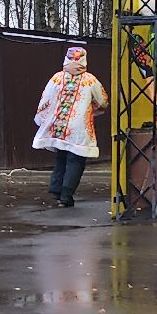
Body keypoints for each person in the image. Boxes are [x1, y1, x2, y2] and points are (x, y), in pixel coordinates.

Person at [31, 45, 108, 207]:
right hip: (79, 127)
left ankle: (55, 188)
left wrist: (42, 119)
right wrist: (92, 110)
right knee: (76, 160)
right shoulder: (90, 80)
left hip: (58, 124)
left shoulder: (57, 78)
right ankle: (66, 195)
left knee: (61, 156)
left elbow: (45, 100)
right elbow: (102, 101)